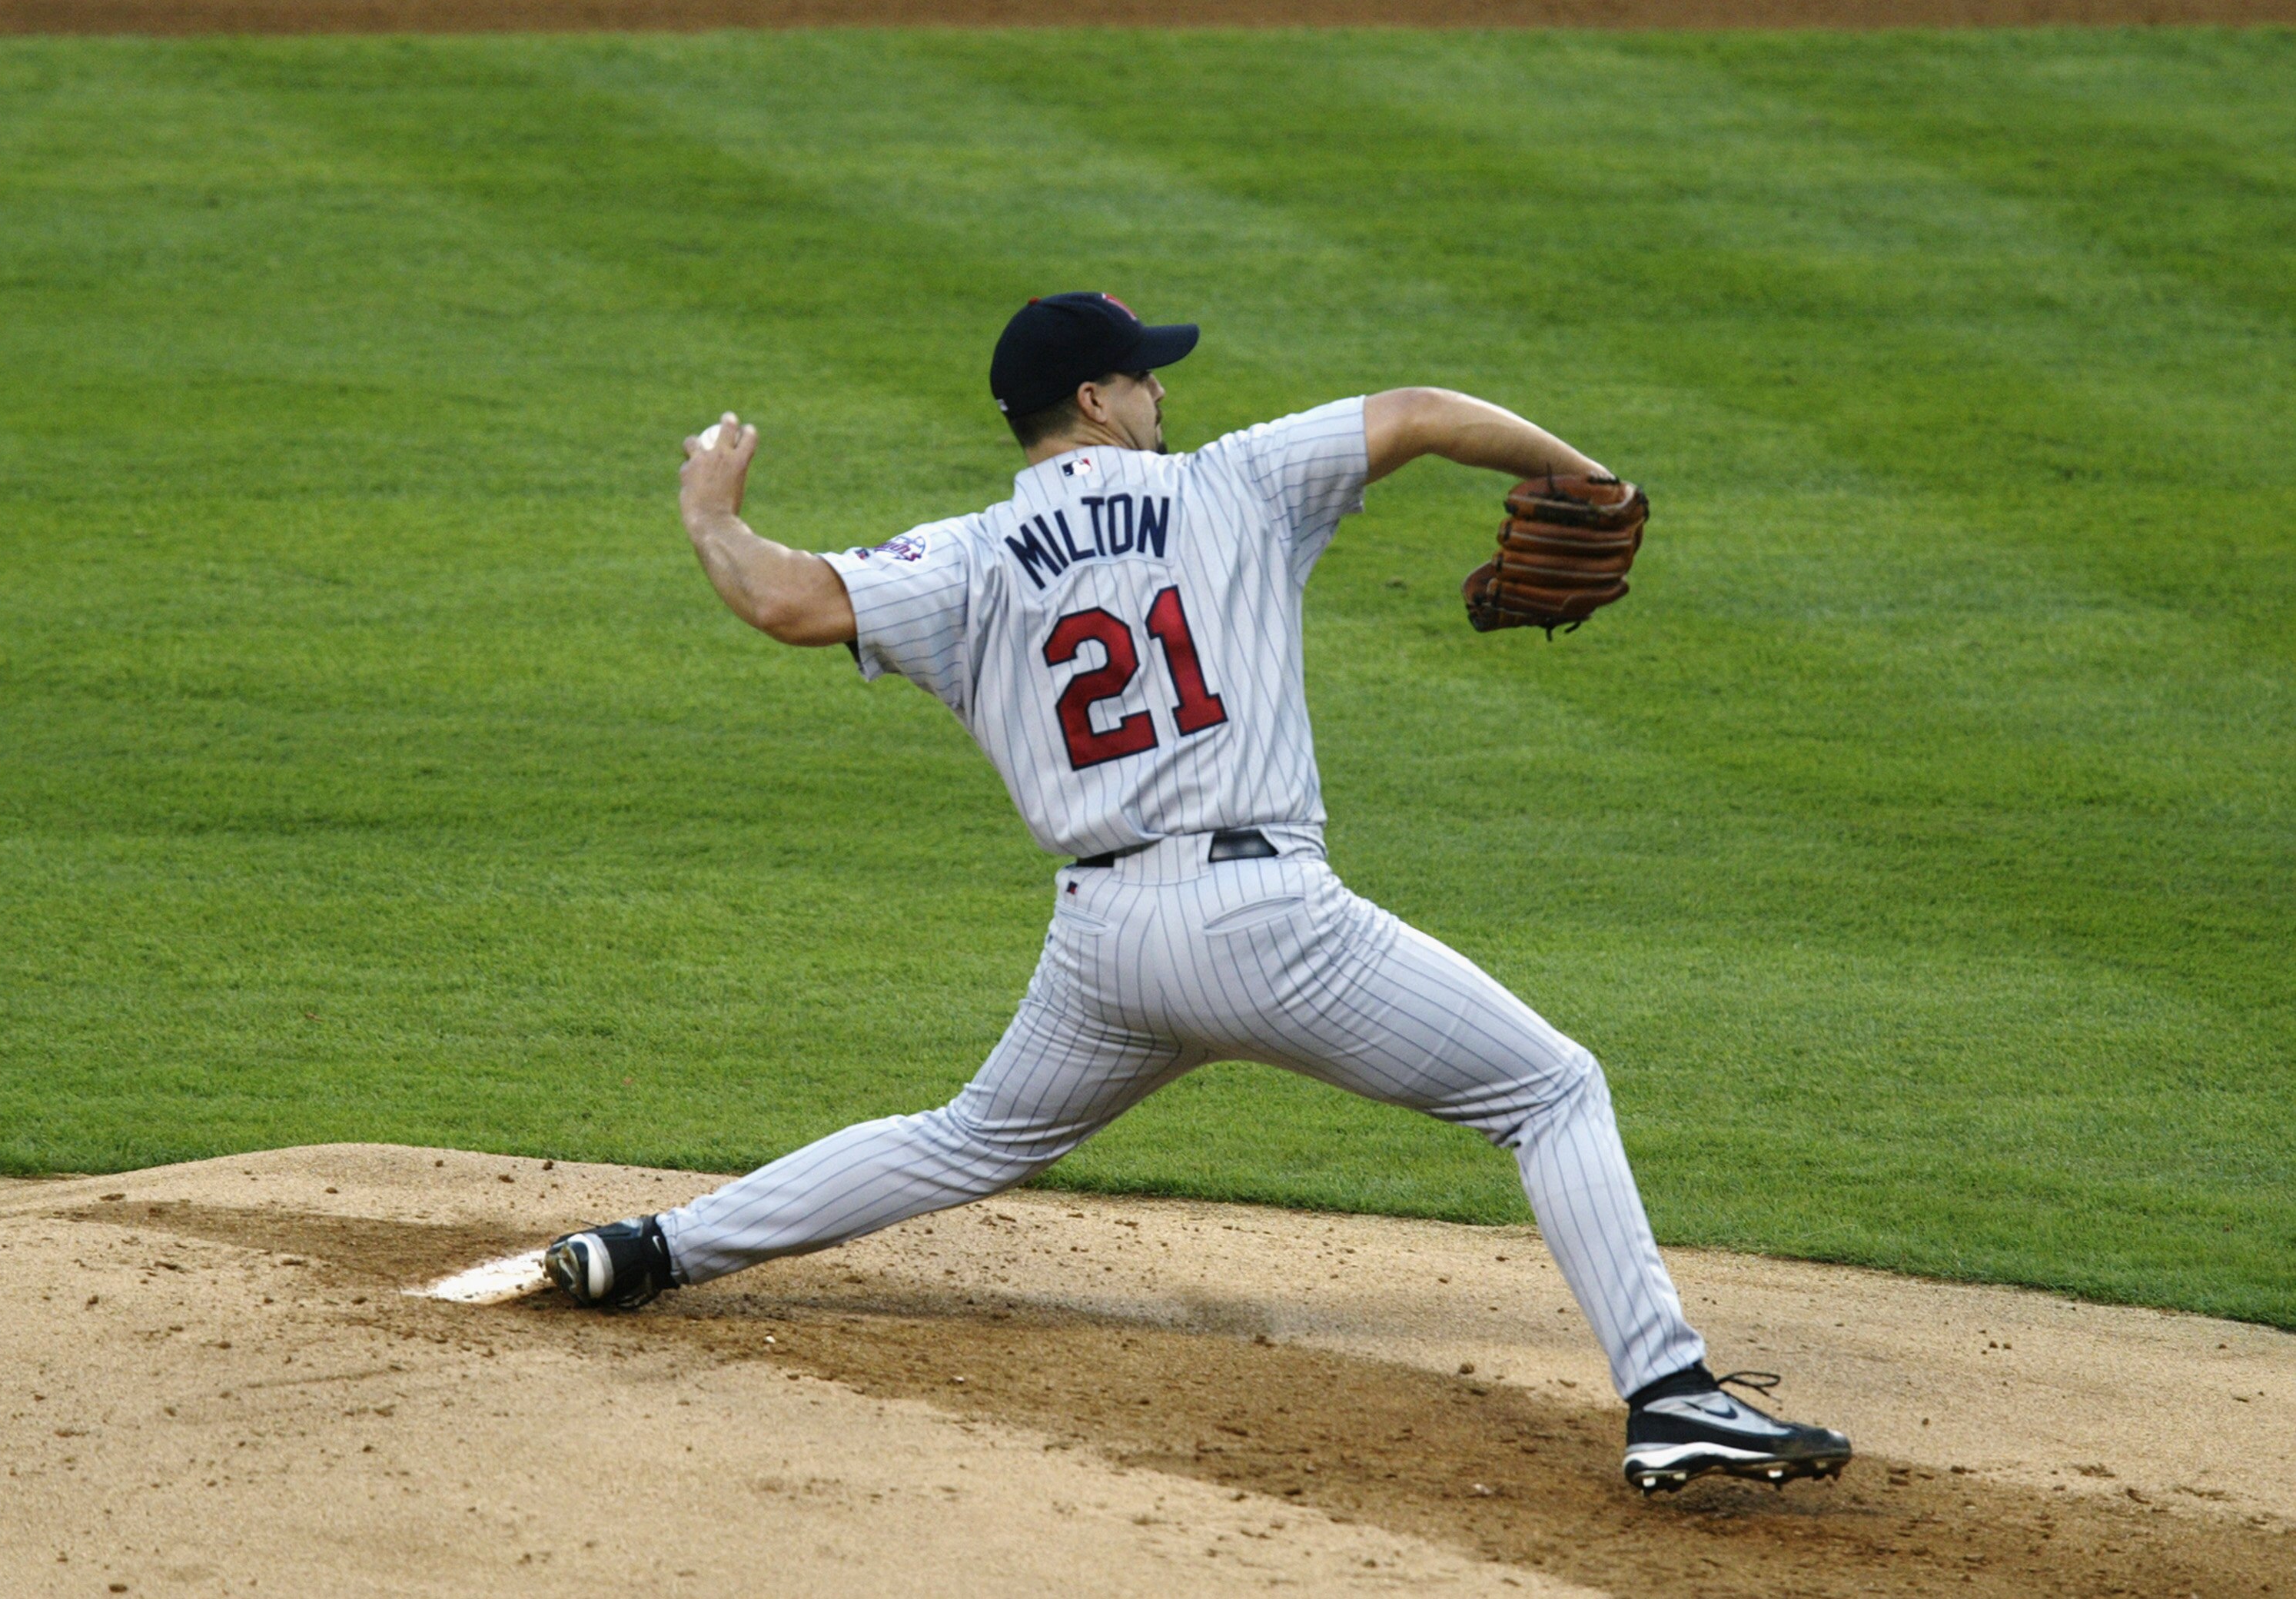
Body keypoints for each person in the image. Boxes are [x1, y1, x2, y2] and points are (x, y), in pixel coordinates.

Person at [547, 292, 1850, 1494]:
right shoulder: (1233, 483)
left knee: (971, 1139)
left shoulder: (965, 556)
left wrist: (713, 515)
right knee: (1548, 1088)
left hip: (1107, 946)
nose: (1166, 396)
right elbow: (1425, 416)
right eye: (1147, 377)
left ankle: (652, 1248)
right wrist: (1579, 475)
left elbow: (782, 601)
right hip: (1273, 925)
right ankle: (1670, 1392)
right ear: (1101, 402)